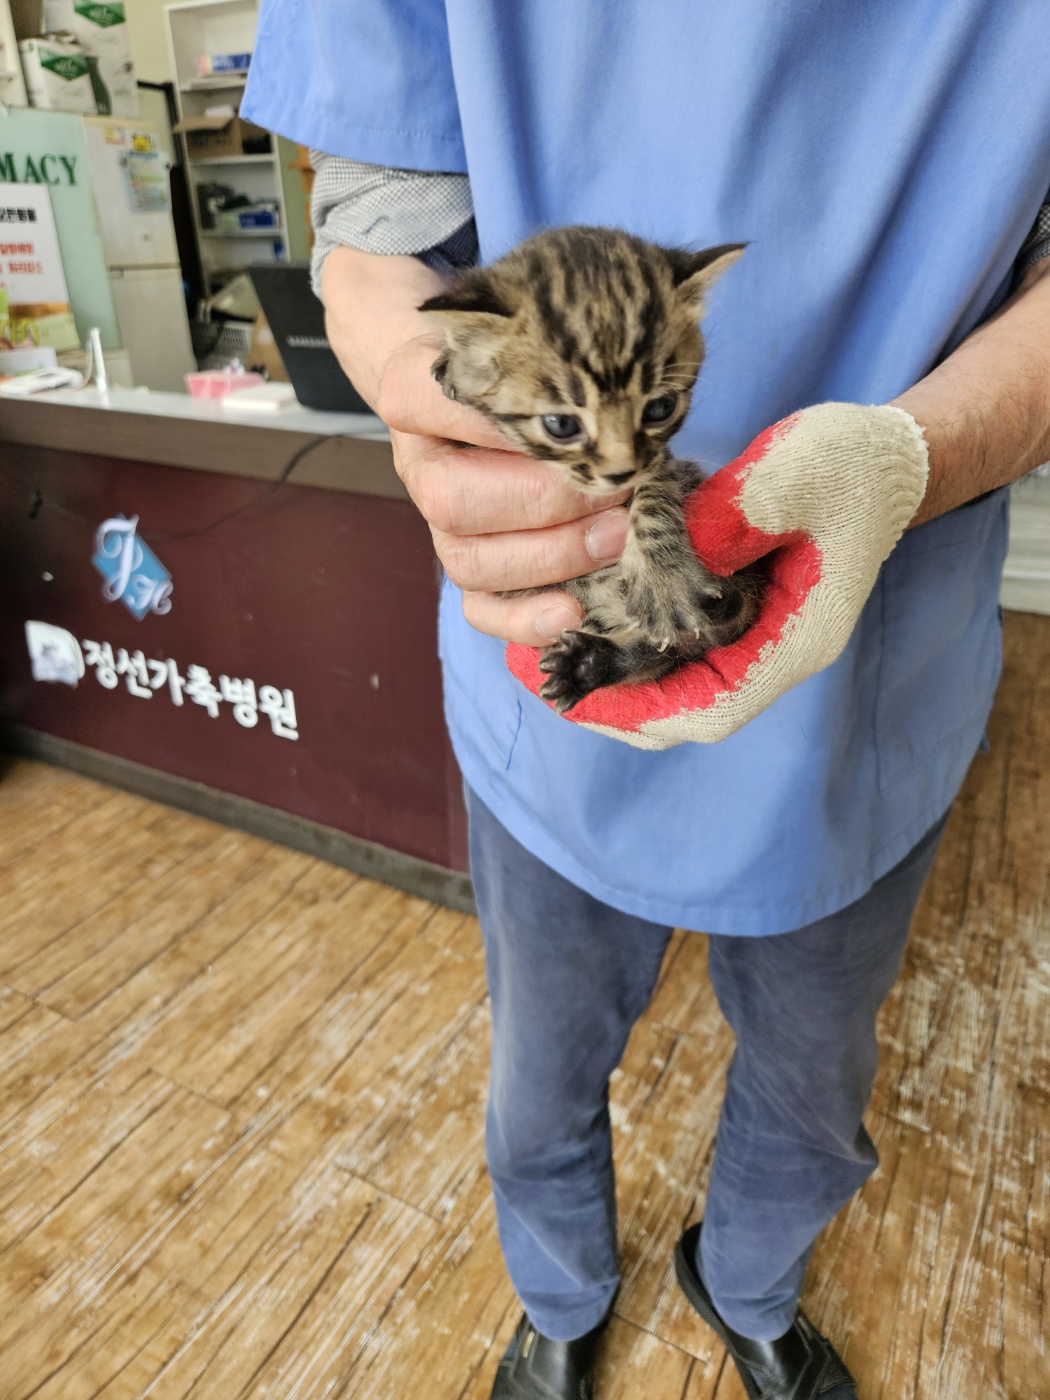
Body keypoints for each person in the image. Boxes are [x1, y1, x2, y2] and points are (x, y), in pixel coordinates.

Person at [244, 6, 1050, 1397]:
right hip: (547, 660)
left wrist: (920, 457)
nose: (622, 464)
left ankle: (744, 1283)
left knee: (813, 1087)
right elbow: (380, 221)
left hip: (871, 659)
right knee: (539, 1069)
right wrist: (422, 399)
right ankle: (560, 1298)